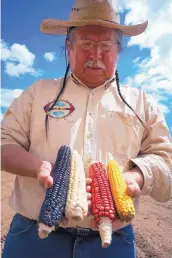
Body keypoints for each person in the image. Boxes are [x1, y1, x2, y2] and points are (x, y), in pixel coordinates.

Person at [1, 0, 172, 257]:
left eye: (105, 46)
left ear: (118, 50)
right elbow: (4, 143)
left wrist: (136, 177)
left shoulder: (141, 103)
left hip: (113, 241)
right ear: (68, 47)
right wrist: (38, 168)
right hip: (32, 237)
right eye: (86, 44)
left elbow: (165, 160)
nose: (95, 54)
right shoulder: (37, 93)